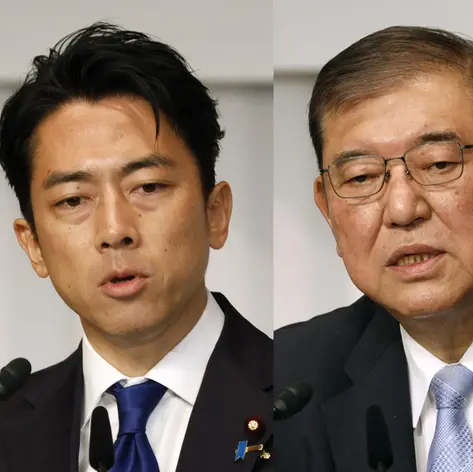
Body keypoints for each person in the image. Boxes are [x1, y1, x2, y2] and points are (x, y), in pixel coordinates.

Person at [274, 26, 473, 472]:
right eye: (360, 177)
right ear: (329, 211)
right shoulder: (285, 386)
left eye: (438, 164)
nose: (401, 208)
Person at [0, 23, 272, 472]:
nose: (114, 229)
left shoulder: (302, 399)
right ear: (34, 247)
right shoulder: (9, 430)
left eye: (146, 186)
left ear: (216, 213)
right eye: (73, 200)